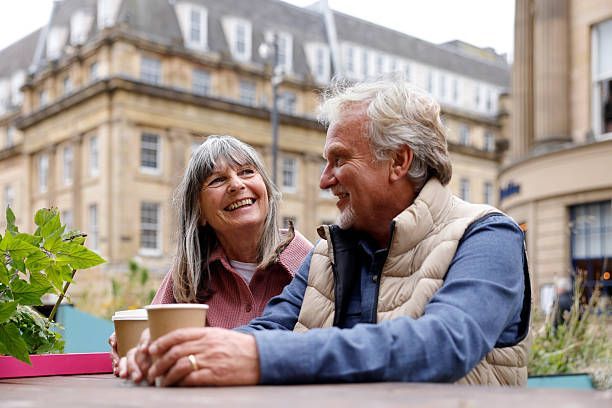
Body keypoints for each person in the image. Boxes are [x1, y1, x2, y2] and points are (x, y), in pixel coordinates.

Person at [125, 78, 531, 386]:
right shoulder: (327, 254)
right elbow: (267, 329)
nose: (323, 180)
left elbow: (443, 343)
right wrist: (179, 354)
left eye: (338, 160)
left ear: (398, 161)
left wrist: (259, 357)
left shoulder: (489, 236)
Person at [110, 135, 312, 376]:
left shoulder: (312, 263)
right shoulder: (187, 273)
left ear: (267, 191)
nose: (237, 185)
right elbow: (150, 335)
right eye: (218, 179)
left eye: (247, 172)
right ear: (200, 212)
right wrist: (133, 343)